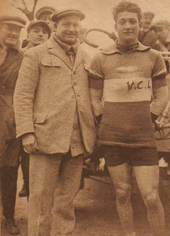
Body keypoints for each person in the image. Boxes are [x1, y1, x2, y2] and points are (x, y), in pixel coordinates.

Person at [14, 8, 96, 236]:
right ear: (55, 26)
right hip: (44, 137)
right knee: (40, 200)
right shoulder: (36, 54)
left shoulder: (85, 56)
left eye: (76, 25)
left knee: (66, 202)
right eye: (66, 24)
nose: (71, 29)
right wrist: (26, 132)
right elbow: (22, 95)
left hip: (77, 140)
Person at [89, 1, 168, 236]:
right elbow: (94, 98)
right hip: (113, 139)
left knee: (151, 197)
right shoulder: (100, 57)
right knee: (122, 193)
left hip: (143, 139)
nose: (128, 25)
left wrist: (149, 117)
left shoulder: (154, 56)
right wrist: (108, 119)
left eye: (132, 21)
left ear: (140, 24)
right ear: (115, 25)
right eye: (122, 21)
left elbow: (162, 94)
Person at [19, 19, 51, 198]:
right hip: (16, 110)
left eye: (44, 32)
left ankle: (32, 192)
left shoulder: (49, 56)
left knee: (32, 159)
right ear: (28, 34)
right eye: (36, 31)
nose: (40, 35)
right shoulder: (20, 55)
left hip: (37, 115)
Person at [0, 15, 26, 235]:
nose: (13, 34)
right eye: (9, 29)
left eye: (17, 31)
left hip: (9, 118)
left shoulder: (22, 57)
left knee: (9, 171)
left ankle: (9, 217)